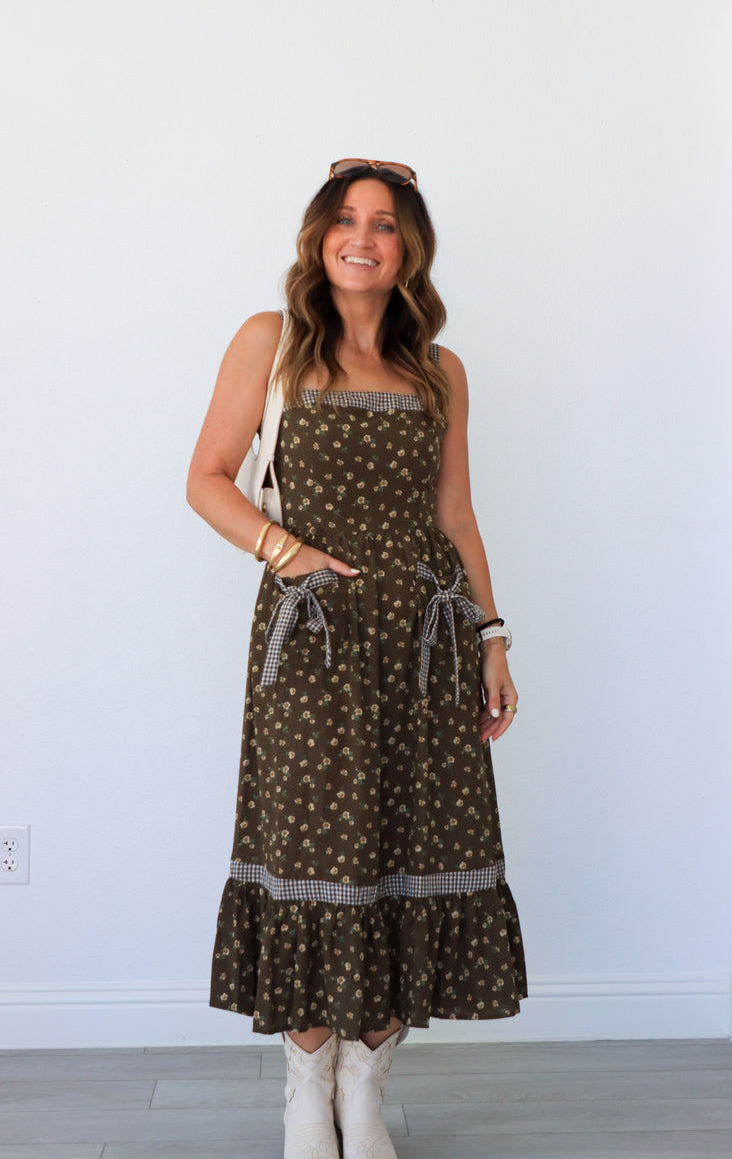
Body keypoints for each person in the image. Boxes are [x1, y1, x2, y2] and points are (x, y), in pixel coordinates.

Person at [187, 158, 527, 1159]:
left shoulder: (440, 369)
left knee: (411, 850)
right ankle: (305, 1094)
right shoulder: (271, 340)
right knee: (312, 854)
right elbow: (207, 478)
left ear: (408, 247)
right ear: (318, 235)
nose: (362, 238)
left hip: (424, 647)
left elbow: (454, 515)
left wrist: (491, 637)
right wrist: (283, 551)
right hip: (314, 643)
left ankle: (364, 1094)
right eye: (345, 219)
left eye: (384, 223)